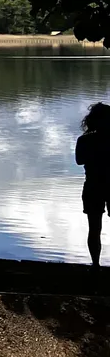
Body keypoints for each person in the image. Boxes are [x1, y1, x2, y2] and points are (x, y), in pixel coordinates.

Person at [77, 103, 110, 267]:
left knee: (94, 229)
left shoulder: (84, 140)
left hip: (93, 185)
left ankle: (95, 265)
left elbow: (79, 160)